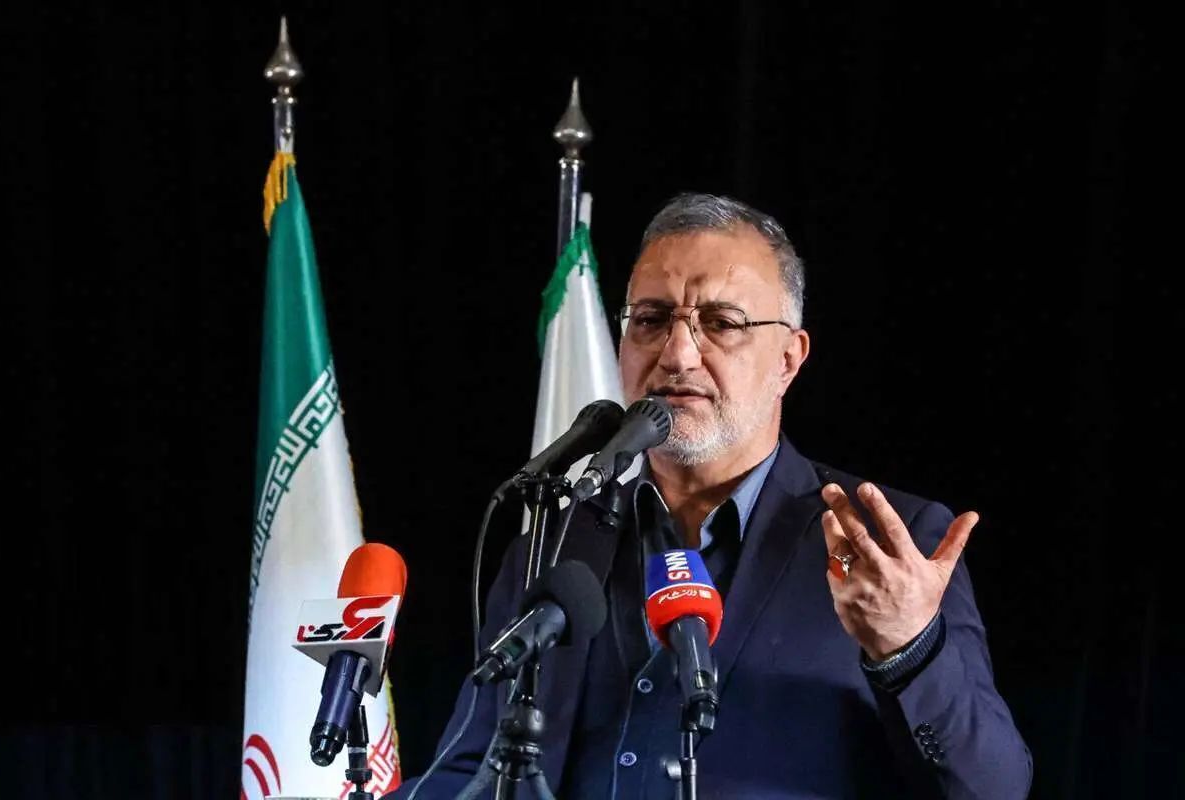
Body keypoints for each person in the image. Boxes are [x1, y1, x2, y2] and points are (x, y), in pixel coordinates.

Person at [391, 193, 1032, 799]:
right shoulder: (554, 547)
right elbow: (472, 769)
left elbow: (992, 787)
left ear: (788, 359)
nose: (677, 354)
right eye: (650, 320)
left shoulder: (889, 545)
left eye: (721, 323)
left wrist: (909, 650)